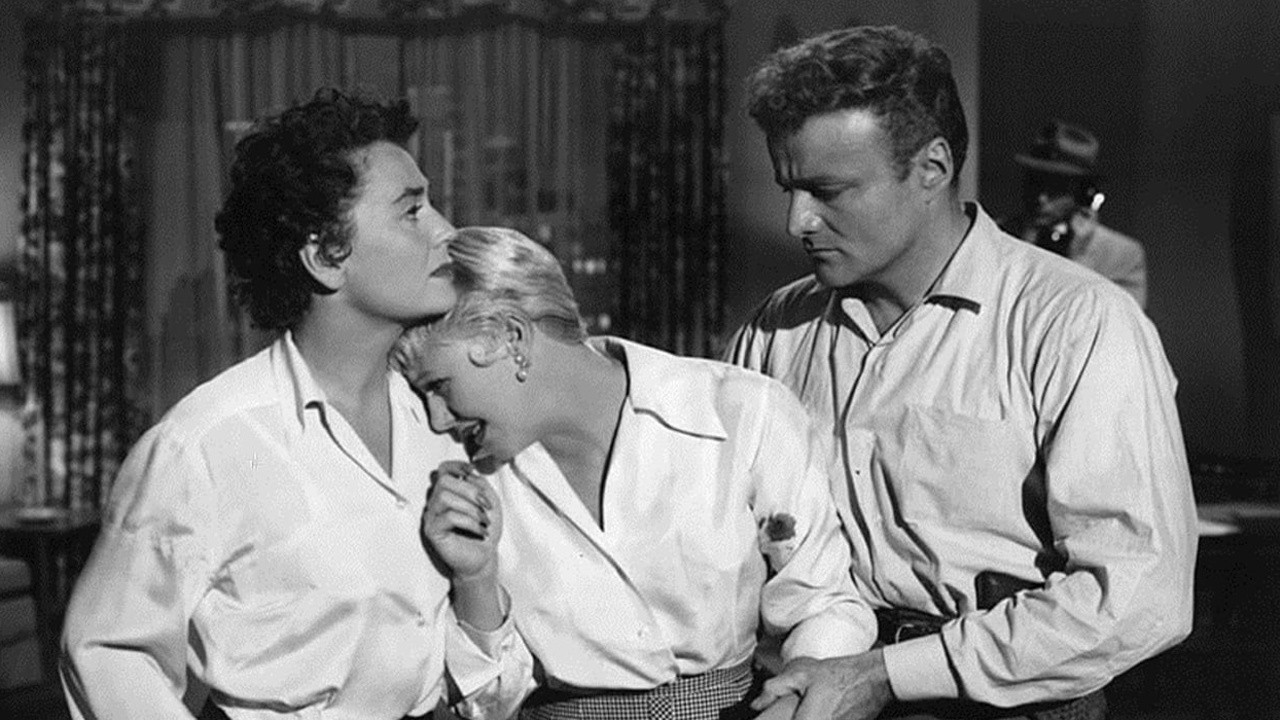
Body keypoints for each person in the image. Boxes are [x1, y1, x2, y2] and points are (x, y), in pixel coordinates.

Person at [726, 25, 1197, 720]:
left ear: (933, 167)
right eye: (790, 189)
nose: (798, 220)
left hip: (1009, 701)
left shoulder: (1077, 323)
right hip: (810, 689)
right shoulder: (774, 332)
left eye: (827, 190)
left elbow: (1136, 596)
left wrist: (886, 674)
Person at [60, 89, 530, 719]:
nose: (447, 231)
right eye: (412, 210)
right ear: (326, 256)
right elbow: (109, 653)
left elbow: (491, 695)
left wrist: (476, 581)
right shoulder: (204, 444)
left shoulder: (446, 423)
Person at [392, 225, 875, 720]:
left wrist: (795, 699)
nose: (437, 419)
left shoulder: (743, 412)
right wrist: (476, 577)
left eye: (439, 386)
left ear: (511, 337)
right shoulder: (465, 481)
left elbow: (823, 605)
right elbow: (488, 705)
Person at [1005, 119, 1148, 309]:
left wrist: (1080, 257)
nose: (1041, 198)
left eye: (1056, 189)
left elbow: (1120, 320)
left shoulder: (1122, 254)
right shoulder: (1000, 235)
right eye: (1035, 183)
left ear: (1083, 193)